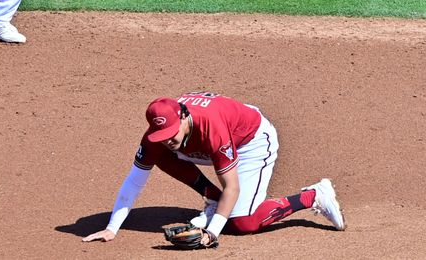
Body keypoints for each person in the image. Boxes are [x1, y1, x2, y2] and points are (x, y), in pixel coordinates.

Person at [82, 91, 346, 247]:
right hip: (212, 142)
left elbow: (231, 186)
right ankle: (211, 197)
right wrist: (112, 227)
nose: (168, 138)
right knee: (161, 155)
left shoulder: (211, 129)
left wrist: (211, 234)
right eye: (162, 133)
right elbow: (135, 180)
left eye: (173, 132)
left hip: (250, 140)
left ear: (184, 116)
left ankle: (314, 195)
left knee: (242, 222)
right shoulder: (160, 136)